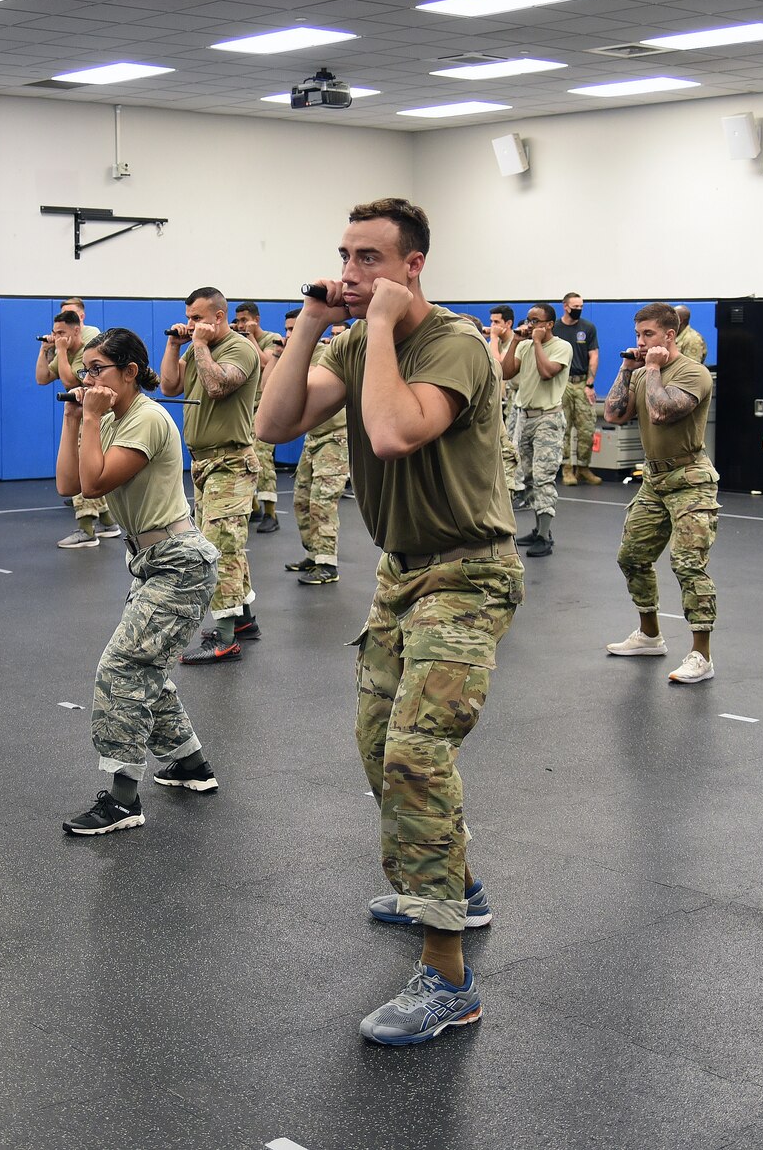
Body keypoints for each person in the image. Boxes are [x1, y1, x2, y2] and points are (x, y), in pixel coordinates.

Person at [258, 196, 521, 1047]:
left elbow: (391, 429)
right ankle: (458, 885)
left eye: (369, 258)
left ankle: (448, 978)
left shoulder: (456, 344)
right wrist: (309, 318)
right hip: (399, 573)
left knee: (414, 754)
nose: (351, 272)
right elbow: (272, 423)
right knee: (377, 747)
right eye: (344, 255)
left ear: (413, 266)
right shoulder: (342, 332)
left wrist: (375, 327)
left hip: (468, 572)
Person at [56, 328, 224, 835]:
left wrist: (89, 416)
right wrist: (74, 416)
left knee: (124, 668)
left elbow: (95, 483)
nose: (88, 380)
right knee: (145, 664)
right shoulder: (109, 420)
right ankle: (191, 765)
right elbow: (69, 485)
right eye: (84, 371)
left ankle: (123, 799)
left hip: (179, 562)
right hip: (150, 561)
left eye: (97, 370)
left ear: (129, 373)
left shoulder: (147, 418)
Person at [603, 302, 719, 684]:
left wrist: (651, 368)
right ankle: (650, 635)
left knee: (688, 563)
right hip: (654, 481)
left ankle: (701, 655)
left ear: (670, 335)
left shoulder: (694, 373)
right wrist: (627, 368)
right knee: (631, 556)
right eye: (638, 335)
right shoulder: (639, 372)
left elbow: (661, 412)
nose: (641, 342)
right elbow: (614, 415)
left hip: (690, 479)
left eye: (648, 334)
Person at [161, 286, 263, 665]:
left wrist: (200, 346)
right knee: (223, 543)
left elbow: (218, 385)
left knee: (221, 549)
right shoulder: (195, 347)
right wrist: (175, 345)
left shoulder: (239, 348)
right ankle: (242, 622)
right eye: (188, 318)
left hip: (231, 464)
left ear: (218, 317)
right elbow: (170, 385)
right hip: (204, 464)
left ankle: (224, 639)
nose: (191, 325)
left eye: (198, 319)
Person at [38, 308, 121, 549]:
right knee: (82, 470)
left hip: (96, 414)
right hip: (83, 413)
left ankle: (86, 529)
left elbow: (69, 381)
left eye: (62, 332)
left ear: (77, 330)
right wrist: (45, 350)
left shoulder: (86, 348)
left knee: (82, 467)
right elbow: (42, 378)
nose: (57, 337)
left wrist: (61, 350)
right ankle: (108, 522)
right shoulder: (67, 351)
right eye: (55, 333)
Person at [282, 309, 349, 585]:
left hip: (335, 438)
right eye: (286, 329)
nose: (288, 335)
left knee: (323, 501)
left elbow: (308, 382)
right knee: (301, 499)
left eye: (293, 329)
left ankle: (328, 565)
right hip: (313, 438)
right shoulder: (295, 356)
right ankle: (313, 555)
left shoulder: (326, 354)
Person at [499, 303, 572, 557]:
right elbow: (506, 371)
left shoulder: (562, 347)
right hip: (524, 418)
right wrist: (517, 341)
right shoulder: (526, 345)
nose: (531, 325)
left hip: (547, 419)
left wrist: (538, 343)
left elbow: (546, 373)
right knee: (527, 476)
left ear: (549, 324)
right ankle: (540, 528)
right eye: (528, 320)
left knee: (543, 477)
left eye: (536, 321)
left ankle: (544, 536)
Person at [234, 302, 285, 533]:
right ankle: (253, 507)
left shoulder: (271, 338)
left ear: (257, 319)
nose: (241, 325)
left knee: (262, 458)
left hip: (266, 407)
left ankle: (271, 513)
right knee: (242, 457)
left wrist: (250, 337)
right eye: (238, 321)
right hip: (245, 409)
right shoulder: (239, 342)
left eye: (245, 320)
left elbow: (265, 364)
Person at [555, 292, 602, 486]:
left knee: (587, 429)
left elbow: (594, 355)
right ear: (565, 306)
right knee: (563, 428)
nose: (579, 309)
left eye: (581, 306)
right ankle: (567, 469)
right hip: (562, 382)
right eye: (575, 306)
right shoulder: (556, 328)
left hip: (582, 382)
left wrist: (590, 384)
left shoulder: (588, 328)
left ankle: (583, 467)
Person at [485, 305, 519, 492]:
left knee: (510, 447)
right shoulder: (496, 342)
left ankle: (512, 488)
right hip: (505, 402)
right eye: (491, 322)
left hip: (517, 398)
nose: (493, 325)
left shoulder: (515, 341)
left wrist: (494, 337)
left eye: (496, 322)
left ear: (508, 323)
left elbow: (496, 364)